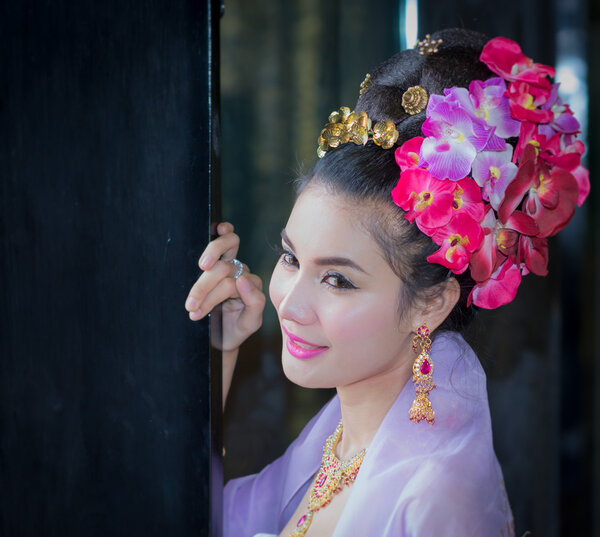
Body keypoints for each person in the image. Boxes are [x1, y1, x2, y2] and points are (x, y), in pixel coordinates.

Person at [185, 28, 589, 537]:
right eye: (290, 258)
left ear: (432, 302)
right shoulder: (335, 441)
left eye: (337, 280)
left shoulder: (437, 498)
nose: (288, 304)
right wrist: (221, 352)